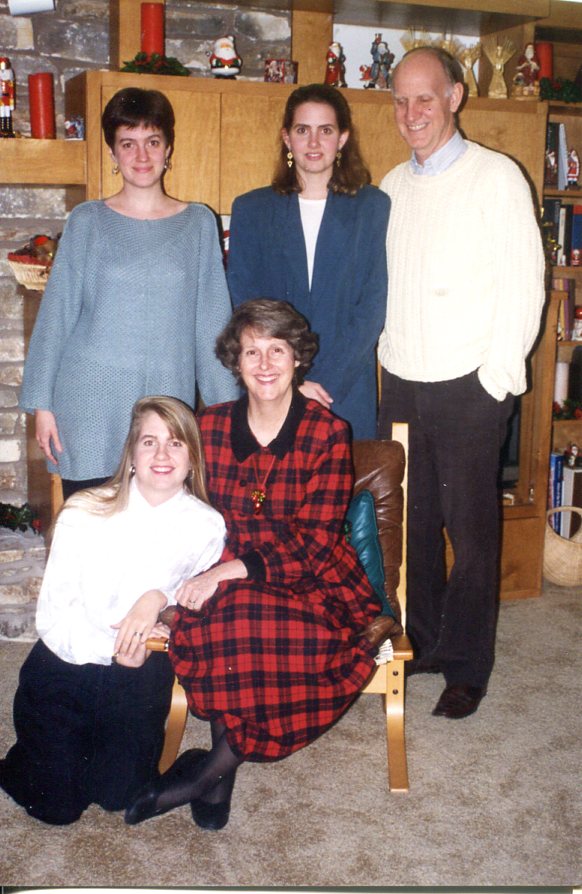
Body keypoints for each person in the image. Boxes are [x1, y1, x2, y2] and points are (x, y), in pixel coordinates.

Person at [124, 299, 398, 830]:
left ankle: (205, 775)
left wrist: (224, 574)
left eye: (278, 350)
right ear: (236, 361)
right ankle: (217, 777)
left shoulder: (327, 432)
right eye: (252, 351)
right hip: (224, 567)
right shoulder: (209, 426)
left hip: (313, 578)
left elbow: (316, 542)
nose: (266, 363)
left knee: (248, 615)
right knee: (232, 617)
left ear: (298, 359)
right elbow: (178, 501)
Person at [377, 47, 545, 719]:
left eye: (425, 97)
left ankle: (469, 666)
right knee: (412, 525)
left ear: (454, 97)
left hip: (470, 383)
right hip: (404, 381)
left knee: (472, 536)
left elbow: (525, 284)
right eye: (401, 100)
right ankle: (423, 641)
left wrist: (497, 379)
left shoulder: (496, 177)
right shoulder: (392, 186)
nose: (412, 112)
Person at [0, 396, 226, 825]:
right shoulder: (84, 512)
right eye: (149, 442)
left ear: (192, 458)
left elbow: (196, 604)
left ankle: (185, 763)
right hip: (65, 669)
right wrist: (117, 647)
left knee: (118, 797)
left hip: (139, 677)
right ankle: (27, 760)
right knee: (56, 809)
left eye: (176, 443)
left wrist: (157, 599)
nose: (162, 454)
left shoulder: (207, 526)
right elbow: (53, 619)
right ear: (132, 455)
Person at [20, 86, 237, 501]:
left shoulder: (197, 223)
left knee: (160, 528)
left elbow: (212, 324)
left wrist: (228, 411)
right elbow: (56, 315)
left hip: (166, 407)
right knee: (93, 525)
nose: (141, 155)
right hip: (89, 405)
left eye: (152, 141)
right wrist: (42, 405)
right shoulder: (87, 221)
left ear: (168, 148)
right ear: (113, 153)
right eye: (128, 143)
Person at [226, 83, 390, 439]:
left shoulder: (373, 208)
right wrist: (292, 383)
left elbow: (372, 308)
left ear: (342, 138)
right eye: (303, 130)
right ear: (287, 138)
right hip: (271, 388)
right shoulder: (252, 210)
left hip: (344, 393)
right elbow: (248, 308)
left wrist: (323, 383)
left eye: (325, 130)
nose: (314, 142)